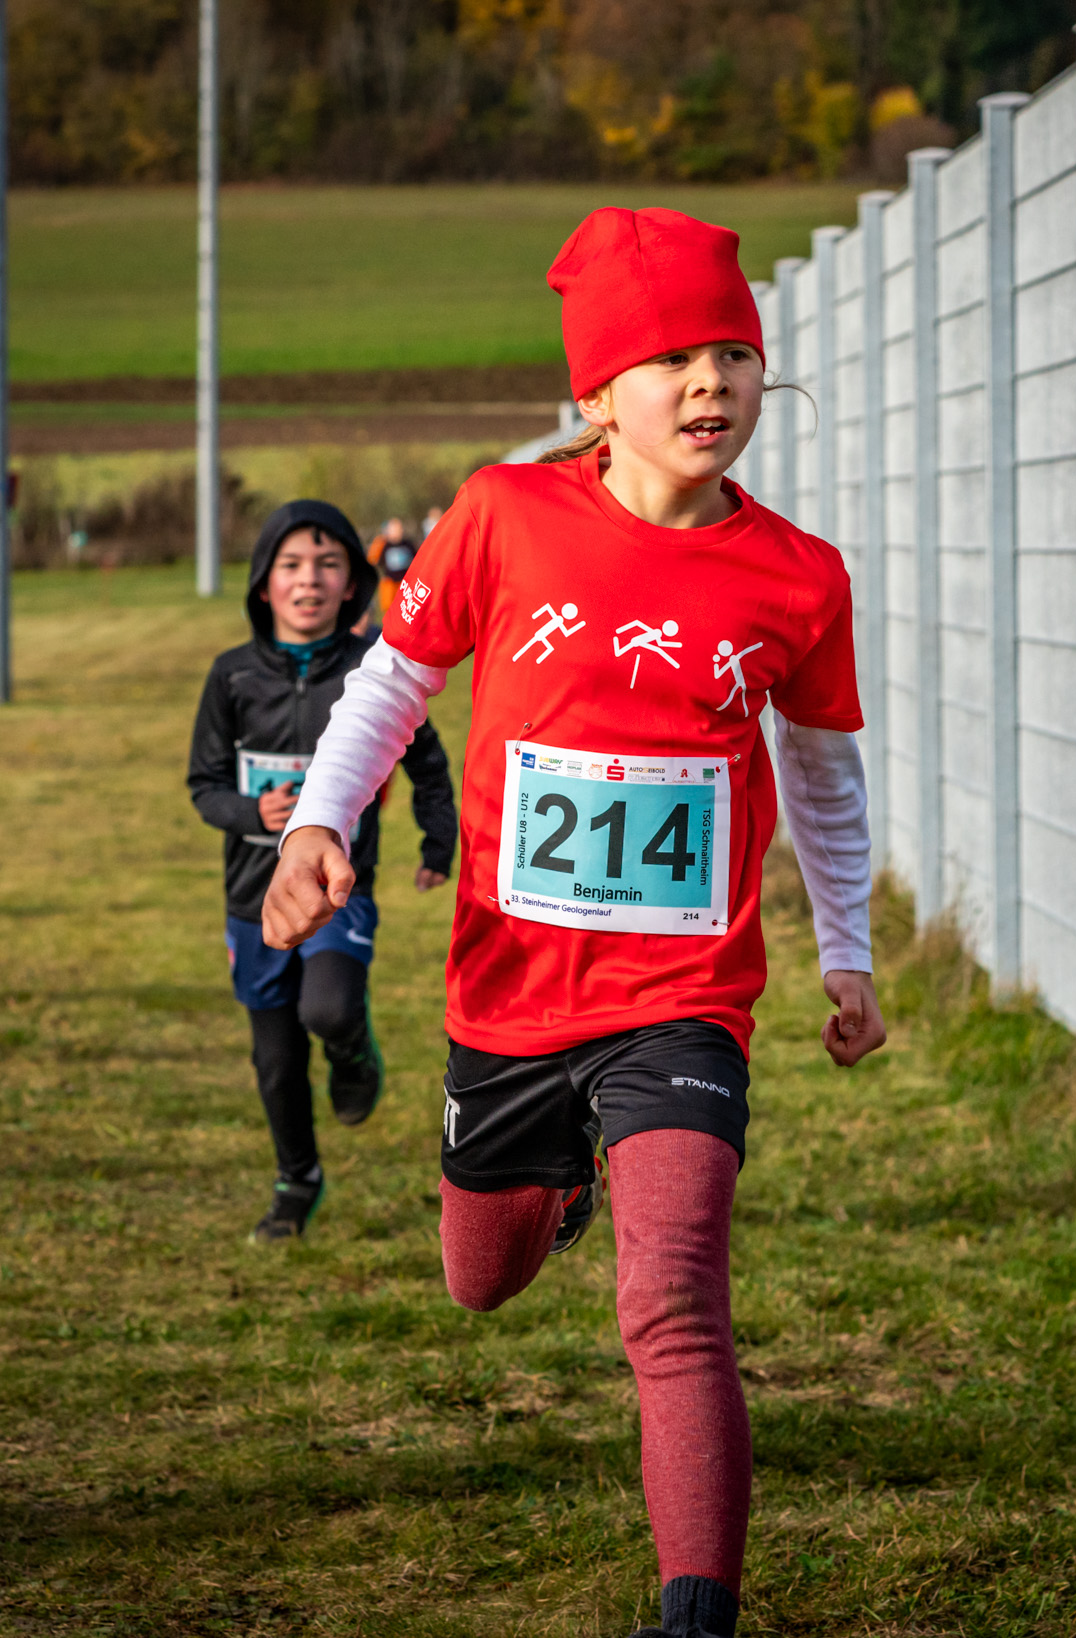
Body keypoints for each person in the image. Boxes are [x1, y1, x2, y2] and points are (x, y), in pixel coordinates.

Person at [261, 208, 884, 1638]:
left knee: (674, 1299)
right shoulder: (505, 514)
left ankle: (696, 1610)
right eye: (671, 358)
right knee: (480, 1280)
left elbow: (825, 778)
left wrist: (846, 951)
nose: (711, 380)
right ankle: (554, 1177)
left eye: (734, 352)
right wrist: (317, 825)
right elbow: (392, 684)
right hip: (513, 990)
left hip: (685, 994)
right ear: (598, 396)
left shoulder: (799, 575)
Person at [187, 500, 458, 1242]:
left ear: (353, 584)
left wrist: (437, 845)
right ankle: (296, 1180)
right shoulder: (232, 677)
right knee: (275, 1061)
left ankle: (353, 1054)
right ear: (263, 583)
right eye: (292, 566)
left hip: (343, 891)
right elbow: (203, 785)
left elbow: (429, 765)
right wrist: (252, 812)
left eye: (329, 564)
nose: (310, 580)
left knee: (329, 1009)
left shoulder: (371, 674)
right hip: (253, 900)